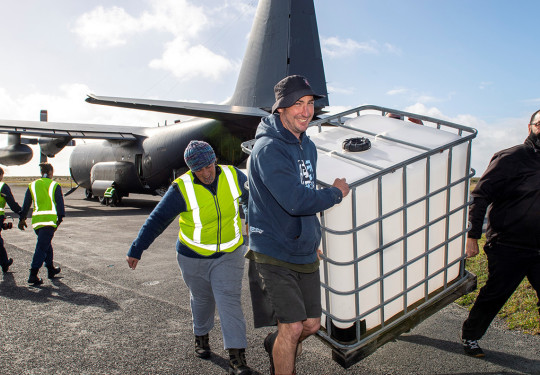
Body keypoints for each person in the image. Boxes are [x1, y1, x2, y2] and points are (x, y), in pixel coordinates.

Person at [247, 75, 350, 375]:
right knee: (292, 328)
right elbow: (295, 200)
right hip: (274, 250)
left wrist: (311, 238)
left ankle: (276, 342)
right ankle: (283, 348)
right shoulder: (268, 150)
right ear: (280, 109)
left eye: (310, 104)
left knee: (311, 325)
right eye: (297, 105)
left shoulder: (308, 146)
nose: (306, 111)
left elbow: (303, 197)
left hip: (302, 249)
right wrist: (335, 193)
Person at [126, 140, 252, 375]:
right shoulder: (181, 188)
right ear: (191, 169)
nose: (206, 173)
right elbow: (157, 220)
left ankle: (237, 359)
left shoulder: (234, 176)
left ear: (215, 160)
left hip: (229, 253)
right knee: (203, 300)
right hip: (193, 257)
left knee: (229, 300)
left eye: (209, 166)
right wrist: (137, 248)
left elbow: (255, 199)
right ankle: (201, 335)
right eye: (199, 169)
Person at [461, 109, 540, 357]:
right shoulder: (511, 157)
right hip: (508, 245)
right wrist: (472, 236)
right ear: (530, 127)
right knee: (495, 295)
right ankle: (470, 336)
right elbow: (480, 195)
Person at [19, 162, 64, 285]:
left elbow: (26, 204)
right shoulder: (55, 185)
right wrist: (58, 221)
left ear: (41, 172)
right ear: (51, 173)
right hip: (49, 222)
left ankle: (51, 269)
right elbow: (60, 206)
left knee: (46, 245)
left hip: (37, 223)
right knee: (41, 248)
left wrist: (22, 219)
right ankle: (33, 274)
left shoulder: (32, 185)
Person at [0, 167, 22, 273]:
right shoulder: (2, 187)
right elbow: (11, 203)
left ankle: (4, 262)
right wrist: (20, 212)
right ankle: (4, 262)